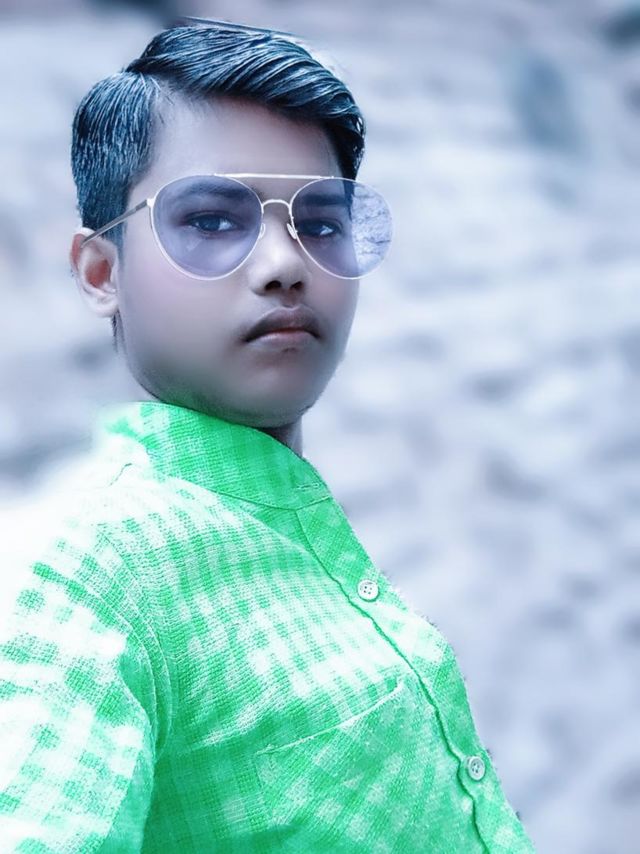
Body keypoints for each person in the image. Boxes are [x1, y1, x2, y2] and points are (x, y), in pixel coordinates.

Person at [0, 18, 536, 853]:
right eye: (213, 221)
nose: (287, 264)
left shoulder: (274, 516)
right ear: (102, 272)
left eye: (321, 222)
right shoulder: (91, 569)